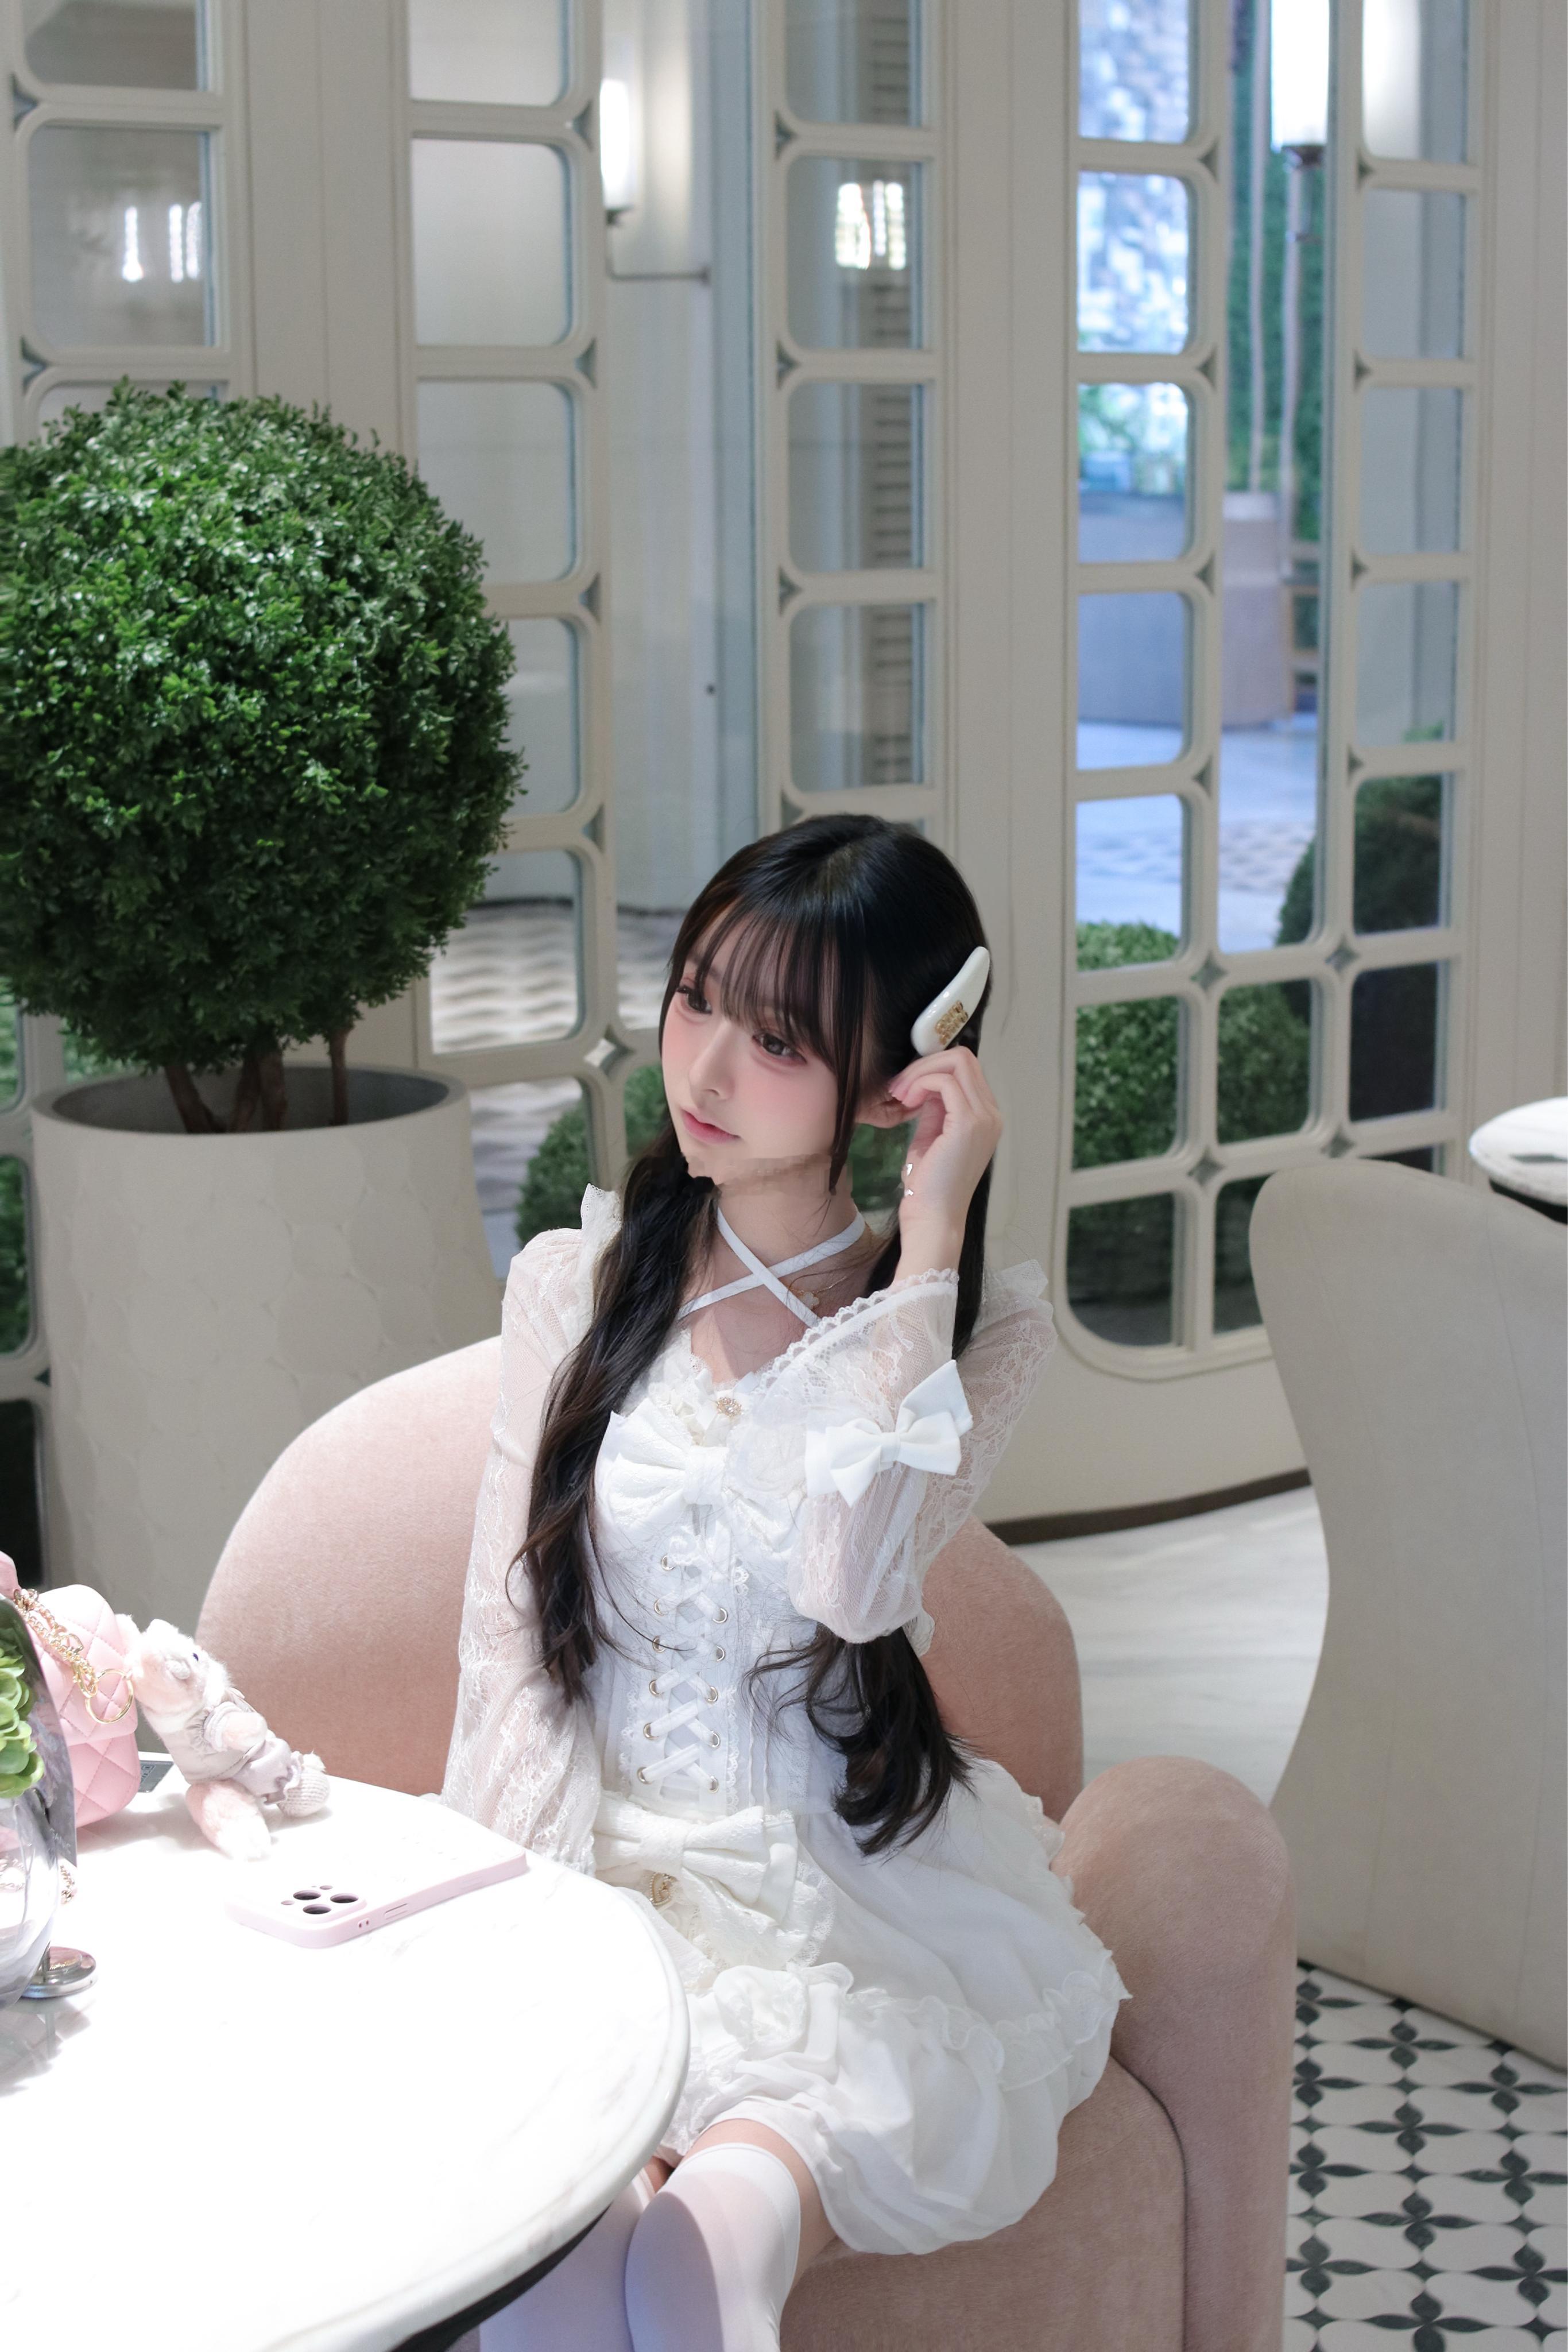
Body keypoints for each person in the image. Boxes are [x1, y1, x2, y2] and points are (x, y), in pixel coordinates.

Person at [443, 815, 1131, 2350]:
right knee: (552, 2282)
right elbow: (508, 1639)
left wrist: (931, 1232)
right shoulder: (575, 1285)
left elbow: (854, 1583)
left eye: (773, 1041)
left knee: (700, 2262)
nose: (701, 1069)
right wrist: (512, 1933)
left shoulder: (967, 1335)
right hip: (592, 1868)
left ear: (898, 1077)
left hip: (829, 1906)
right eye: (694, 998)